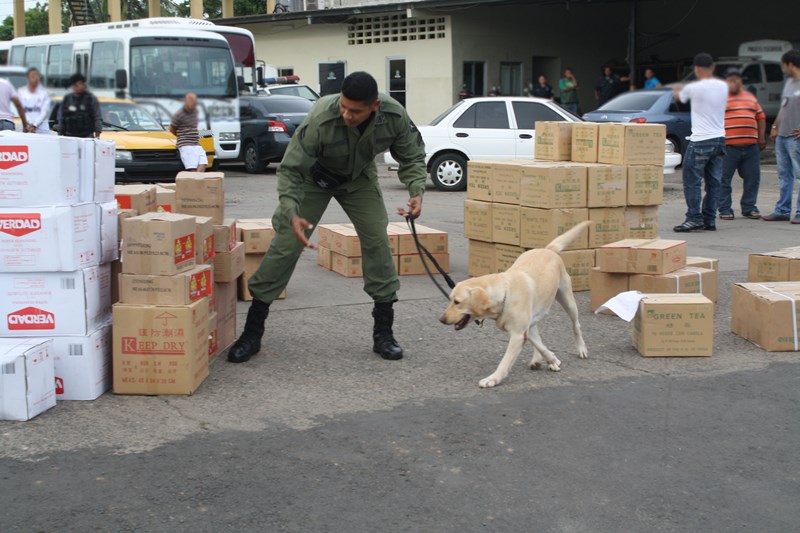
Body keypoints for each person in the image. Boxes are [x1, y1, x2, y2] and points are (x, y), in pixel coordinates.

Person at [227, 71, 426, 364]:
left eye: (355, 111)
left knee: (377, 242)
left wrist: (416, 191)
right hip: (313, 179)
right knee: (287, 244)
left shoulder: (394, 115)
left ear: (374, 106)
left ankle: (384, 333)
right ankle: (252, 332)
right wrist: (291, 211)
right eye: (343, 106)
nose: (346, 115)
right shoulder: (321, 116)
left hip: (359, 180)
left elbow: (412, 155)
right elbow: (291, 169)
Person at [672, 52, 729, 232]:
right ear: (713, 67)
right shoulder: (723, 86)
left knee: (692, 180)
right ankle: (709, 219)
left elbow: (679, 98)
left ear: (696, 69)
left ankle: (694, 218)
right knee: (714, 183)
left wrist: (677, 90)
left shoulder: (694, 87)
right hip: (719, 139)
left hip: (701, 140)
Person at [718, 67, 766, 220]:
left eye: (737, 78)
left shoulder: (749, 97)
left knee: (753, 178)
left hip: (751, 147)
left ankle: (749, 207)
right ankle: (725, 209)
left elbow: (761, 117)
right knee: (723, 179)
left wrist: (761, 138)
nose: (734, 81)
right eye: (731, 79)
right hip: (728, 147)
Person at [763, 49, 800, 223]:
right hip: (782, 135)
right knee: (784, 175)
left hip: (795, 137)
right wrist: (775, 126)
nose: (782, 68)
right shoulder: (789, 82)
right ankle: (782, 210)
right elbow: (784, 106)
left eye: (783, 64)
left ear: (790, 64)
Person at [169, 93, 207, 172]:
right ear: (185, 102)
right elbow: (172, 129)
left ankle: (197, 178)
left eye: (195, 102)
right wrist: (181, 136)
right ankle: (195, 179)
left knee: (203, 163)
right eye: (191, 102)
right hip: (186, 144)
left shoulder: (195, 112)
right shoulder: (179, 114)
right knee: (192, 167)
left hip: (196, 143)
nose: (194, 104)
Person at [57, 73, 101, 138]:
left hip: (86, 135)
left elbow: (97, 116)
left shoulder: (90, 98)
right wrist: (60, 133)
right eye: (77, 85)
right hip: (69, 135)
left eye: (81, 84)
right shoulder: (67, 99)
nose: (80, 87)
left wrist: (97, 133)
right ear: (73, 86)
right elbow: (61, 117)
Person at [18, 67, 50, 134]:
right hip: (27, 129)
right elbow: (21, 111)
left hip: (42, 130)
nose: (35, 79)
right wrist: (30, 123)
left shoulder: (44, 93)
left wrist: (35, 125)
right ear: (27, 78)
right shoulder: (21, 92)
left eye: (37, 76)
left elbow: (44, 112)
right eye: (32, 76)